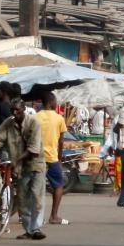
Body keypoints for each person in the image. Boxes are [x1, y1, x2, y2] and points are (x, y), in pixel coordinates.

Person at [0, 99, 45, 239]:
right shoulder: (9, 123)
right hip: (20, 167)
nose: (15, 113)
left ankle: (36, 228)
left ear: (24, 109)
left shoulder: (34, 123)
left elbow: (33, 149)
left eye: (18, 111)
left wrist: (15, 161)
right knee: (22, 199)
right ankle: (29, 230)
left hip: (35, 164)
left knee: (36, 196)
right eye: (13, 111)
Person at [34, 92, 70, 227]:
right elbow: (61, 142)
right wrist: (59, 158)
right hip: (52, 158)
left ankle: (35, 217)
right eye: (55, 101)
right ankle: (54, 216)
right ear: (50, 102)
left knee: (35, 187)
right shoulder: (59, 119)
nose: (57, 103)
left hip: (36, 157)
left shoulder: (35, 117)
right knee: (58, 186)